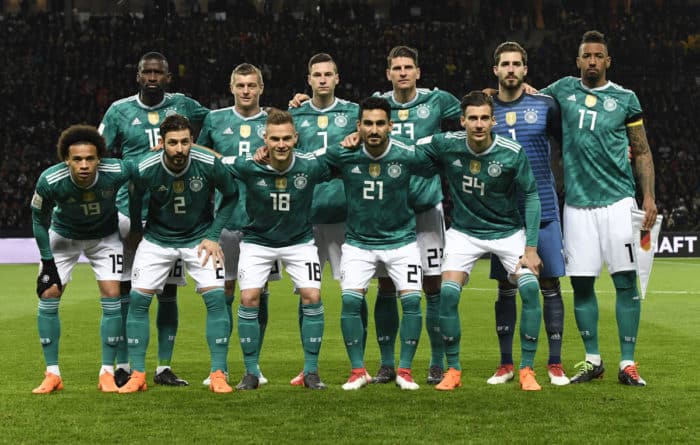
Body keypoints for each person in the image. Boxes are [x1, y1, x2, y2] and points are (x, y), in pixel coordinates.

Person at [539, 30, 657, 386]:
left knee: (625, 283)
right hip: (576, 206)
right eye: (586, 56)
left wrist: (648, 196)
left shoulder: (625, 99)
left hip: (619, 202)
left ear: (608, 61)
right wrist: (493, 96)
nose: (592, 61)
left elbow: (643, 150)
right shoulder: (561, 89)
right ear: (578, 62)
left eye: (598, 55)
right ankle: (593, 360)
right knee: (582, 285)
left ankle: (627, 362)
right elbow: (526, 100)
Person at [414, 91, 544, 391]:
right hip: (464, 233)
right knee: (447, 294)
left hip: (508, 233)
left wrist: (531, 247)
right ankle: (454, 370)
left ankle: (526, 370)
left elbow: (533, 195)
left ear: (493, 121)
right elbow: (411, 150)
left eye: (485, 117)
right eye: (472, 118)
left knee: (530, 289)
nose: (479, 123)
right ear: (462, 121)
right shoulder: (448, 144)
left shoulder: (512, 152)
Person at [99, 51, 210, 387]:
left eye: (157, 72)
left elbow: (217, 122)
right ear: (137, 75)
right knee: (126, 291)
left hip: (170, 213)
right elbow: (99, 151)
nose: (151, 77)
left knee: (168, 293)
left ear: (168, 77)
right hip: (127, 213)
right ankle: (121, 364)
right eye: (146, 71)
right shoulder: (119, 110)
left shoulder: (186, 106)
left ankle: (163, 367)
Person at [321, 97, 435, 391]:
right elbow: (312, 164)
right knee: (349, 301)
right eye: (368, 123)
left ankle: (405, 371)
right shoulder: (345, 153)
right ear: (358, 126)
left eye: (380, 123)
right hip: (358, 243)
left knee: (411, 301)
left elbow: (440, 162)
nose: (374, 129)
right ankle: (358, 371)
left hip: (402, 241)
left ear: (390, 126)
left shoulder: (407, 154)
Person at [117, 114, 236, 394]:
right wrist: (135, 229)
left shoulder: (208, 163)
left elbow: (231, 195)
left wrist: (213, 234)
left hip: (199, 239)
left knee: (217, 299)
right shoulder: (145, 167)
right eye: (173, 143)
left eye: (185, 142)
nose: (180, 149)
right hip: (157, 240)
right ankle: (137, 375)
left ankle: (218, 373)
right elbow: (134, 197)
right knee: (138, 300)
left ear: (192, 141)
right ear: (162, 143)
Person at [370, 45, 462, 385]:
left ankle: (436, 362)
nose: (403, 72)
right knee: (386, 286)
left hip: (426, 208)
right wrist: (301, 103)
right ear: (388, 73)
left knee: (432, 285)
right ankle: (386, 363)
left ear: (418, 72)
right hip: (387, 210)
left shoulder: (437, 101)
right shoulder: (379, 104)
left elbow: (477, 107)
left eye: (409, 67)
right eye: (397, 68)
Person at [220, 109, 331, 390]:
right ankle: (251, 371)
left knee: (312, 295)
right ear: (264, 139)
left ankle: (311, 371)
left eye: (286, 138)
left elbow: (343, 158)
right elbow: (214, 161)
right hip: (257, 242)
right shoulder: (248, 165)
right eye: (274, 139)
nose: (280, 144)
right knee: (248, 299)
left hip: (299, 241)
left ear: (295, 138)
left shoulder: (311, 164)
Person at [485, 41, 569, 386]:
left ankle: (555, 363)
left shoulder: (545, 105)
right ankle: (506, 363)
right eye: (504, 64)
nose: (510, 69)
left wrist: (558, 188)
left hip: (544, 209)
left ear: (525, 69)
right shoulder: (484, 107)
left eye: (516, 64)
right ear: (496, 70)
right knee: (506, 287)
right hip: (503, 215)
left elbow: (566, 145)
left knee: (549, 283)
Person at [30, 125, 136, 394]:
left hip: (105, 237)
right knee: (49, 293)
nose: (84, 165)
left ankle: (107, 373)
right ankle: (52, 373)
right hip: (64, 237)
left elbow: (142, 173)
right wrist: (48, 262)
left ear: (99, 158)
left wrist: (133, 217)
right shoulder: (50, 180)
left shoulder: (117, 171)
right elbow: (38, 221)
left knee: (113, 294)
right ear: (67, 160)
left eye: (90, 158)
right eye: (77, 159)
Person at [196, 63, 278, 386]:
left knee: (259, 293)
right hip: (226, 221)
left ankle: (253, 365)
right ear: (232, 88)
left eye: (252, 85)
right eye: (240, 85)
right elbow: (198, 156)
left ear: (261, 88)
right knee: (224, 292)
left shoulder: (273, 121)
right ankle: (220, 366)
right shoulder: (215, 120)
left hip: (263, 221)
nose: (246, 91)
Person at [286, 53, 365, 386]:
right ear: (308, 79)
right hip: (307, 217)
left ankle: (358, 367)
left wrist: (359, 137)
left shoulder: (354, 114)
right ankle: (309, 367)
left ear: (337, 78)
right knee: (308, 295)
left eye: (328, 74)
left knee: (354, 294)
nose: (322, 79)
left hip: (345, 216)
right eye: (316, 74)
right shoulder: (295, 114)